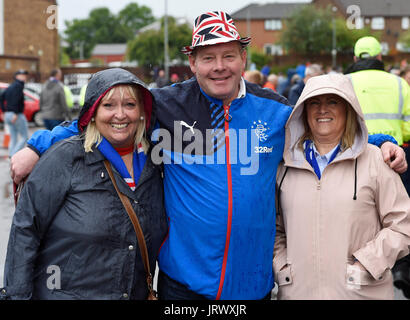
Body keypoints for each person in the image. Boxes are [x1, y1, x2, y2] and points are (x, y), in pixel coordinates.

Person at [8, 11, 407, 300]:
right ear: (192, 62)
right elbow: (104, 117)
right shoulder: (165, 106)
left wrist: (384, 140)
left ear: (243, 60)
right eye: (208, 58)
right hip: (184, 286)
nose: (220, 67)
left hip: (251, 285)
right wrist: (34, 145)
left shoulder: (275, 111)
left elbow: (325, 123)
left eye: (229, 56)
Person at [0, 68, 167, 299]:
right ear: (93, 112)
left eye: (130, 105)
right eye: (108, 106)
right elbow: (26, 229)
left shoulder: (155, 161)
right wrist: (16, 296)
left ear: (142, 111)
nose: (120, 115)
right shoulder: (66, 157)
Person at [274, 73, 410, 300]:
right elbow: (277, 230)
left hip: (360, 292)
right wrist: (283, 268)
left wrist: (367, 263)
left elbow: (403, 225)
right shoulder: (286, 165)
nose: (322, 110)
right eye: (314, 103)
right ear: (303, 111)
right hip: (298, 293)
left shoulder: (376, 160)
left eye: (333, 101)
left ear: (349, 109)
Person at [345, 36, 410, 297]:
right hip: (396, 158)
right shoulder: (399, 83)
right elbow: (407, 127)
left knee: (364, 220)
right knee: (399, 218)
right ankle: (401, 268)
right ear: (380, 58)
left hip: (355, 158)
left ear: (355, 58)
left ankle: (362, 266)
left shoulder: (345, 81)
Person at [0, 69, 29, 157]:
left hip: (8, 114)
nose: (25, 77)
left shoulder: (11, 86)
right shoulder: (18, 86)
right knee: (25, 136)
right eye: (22, 75)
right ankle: (13, 155)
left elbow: (1, 97)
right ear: (17, 76)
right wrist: (16, 113)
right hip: (16, 115)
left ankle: (10, 154)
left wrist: (4, 111)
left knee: (14, 137)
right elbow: (17, 99)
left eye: (25, 75)